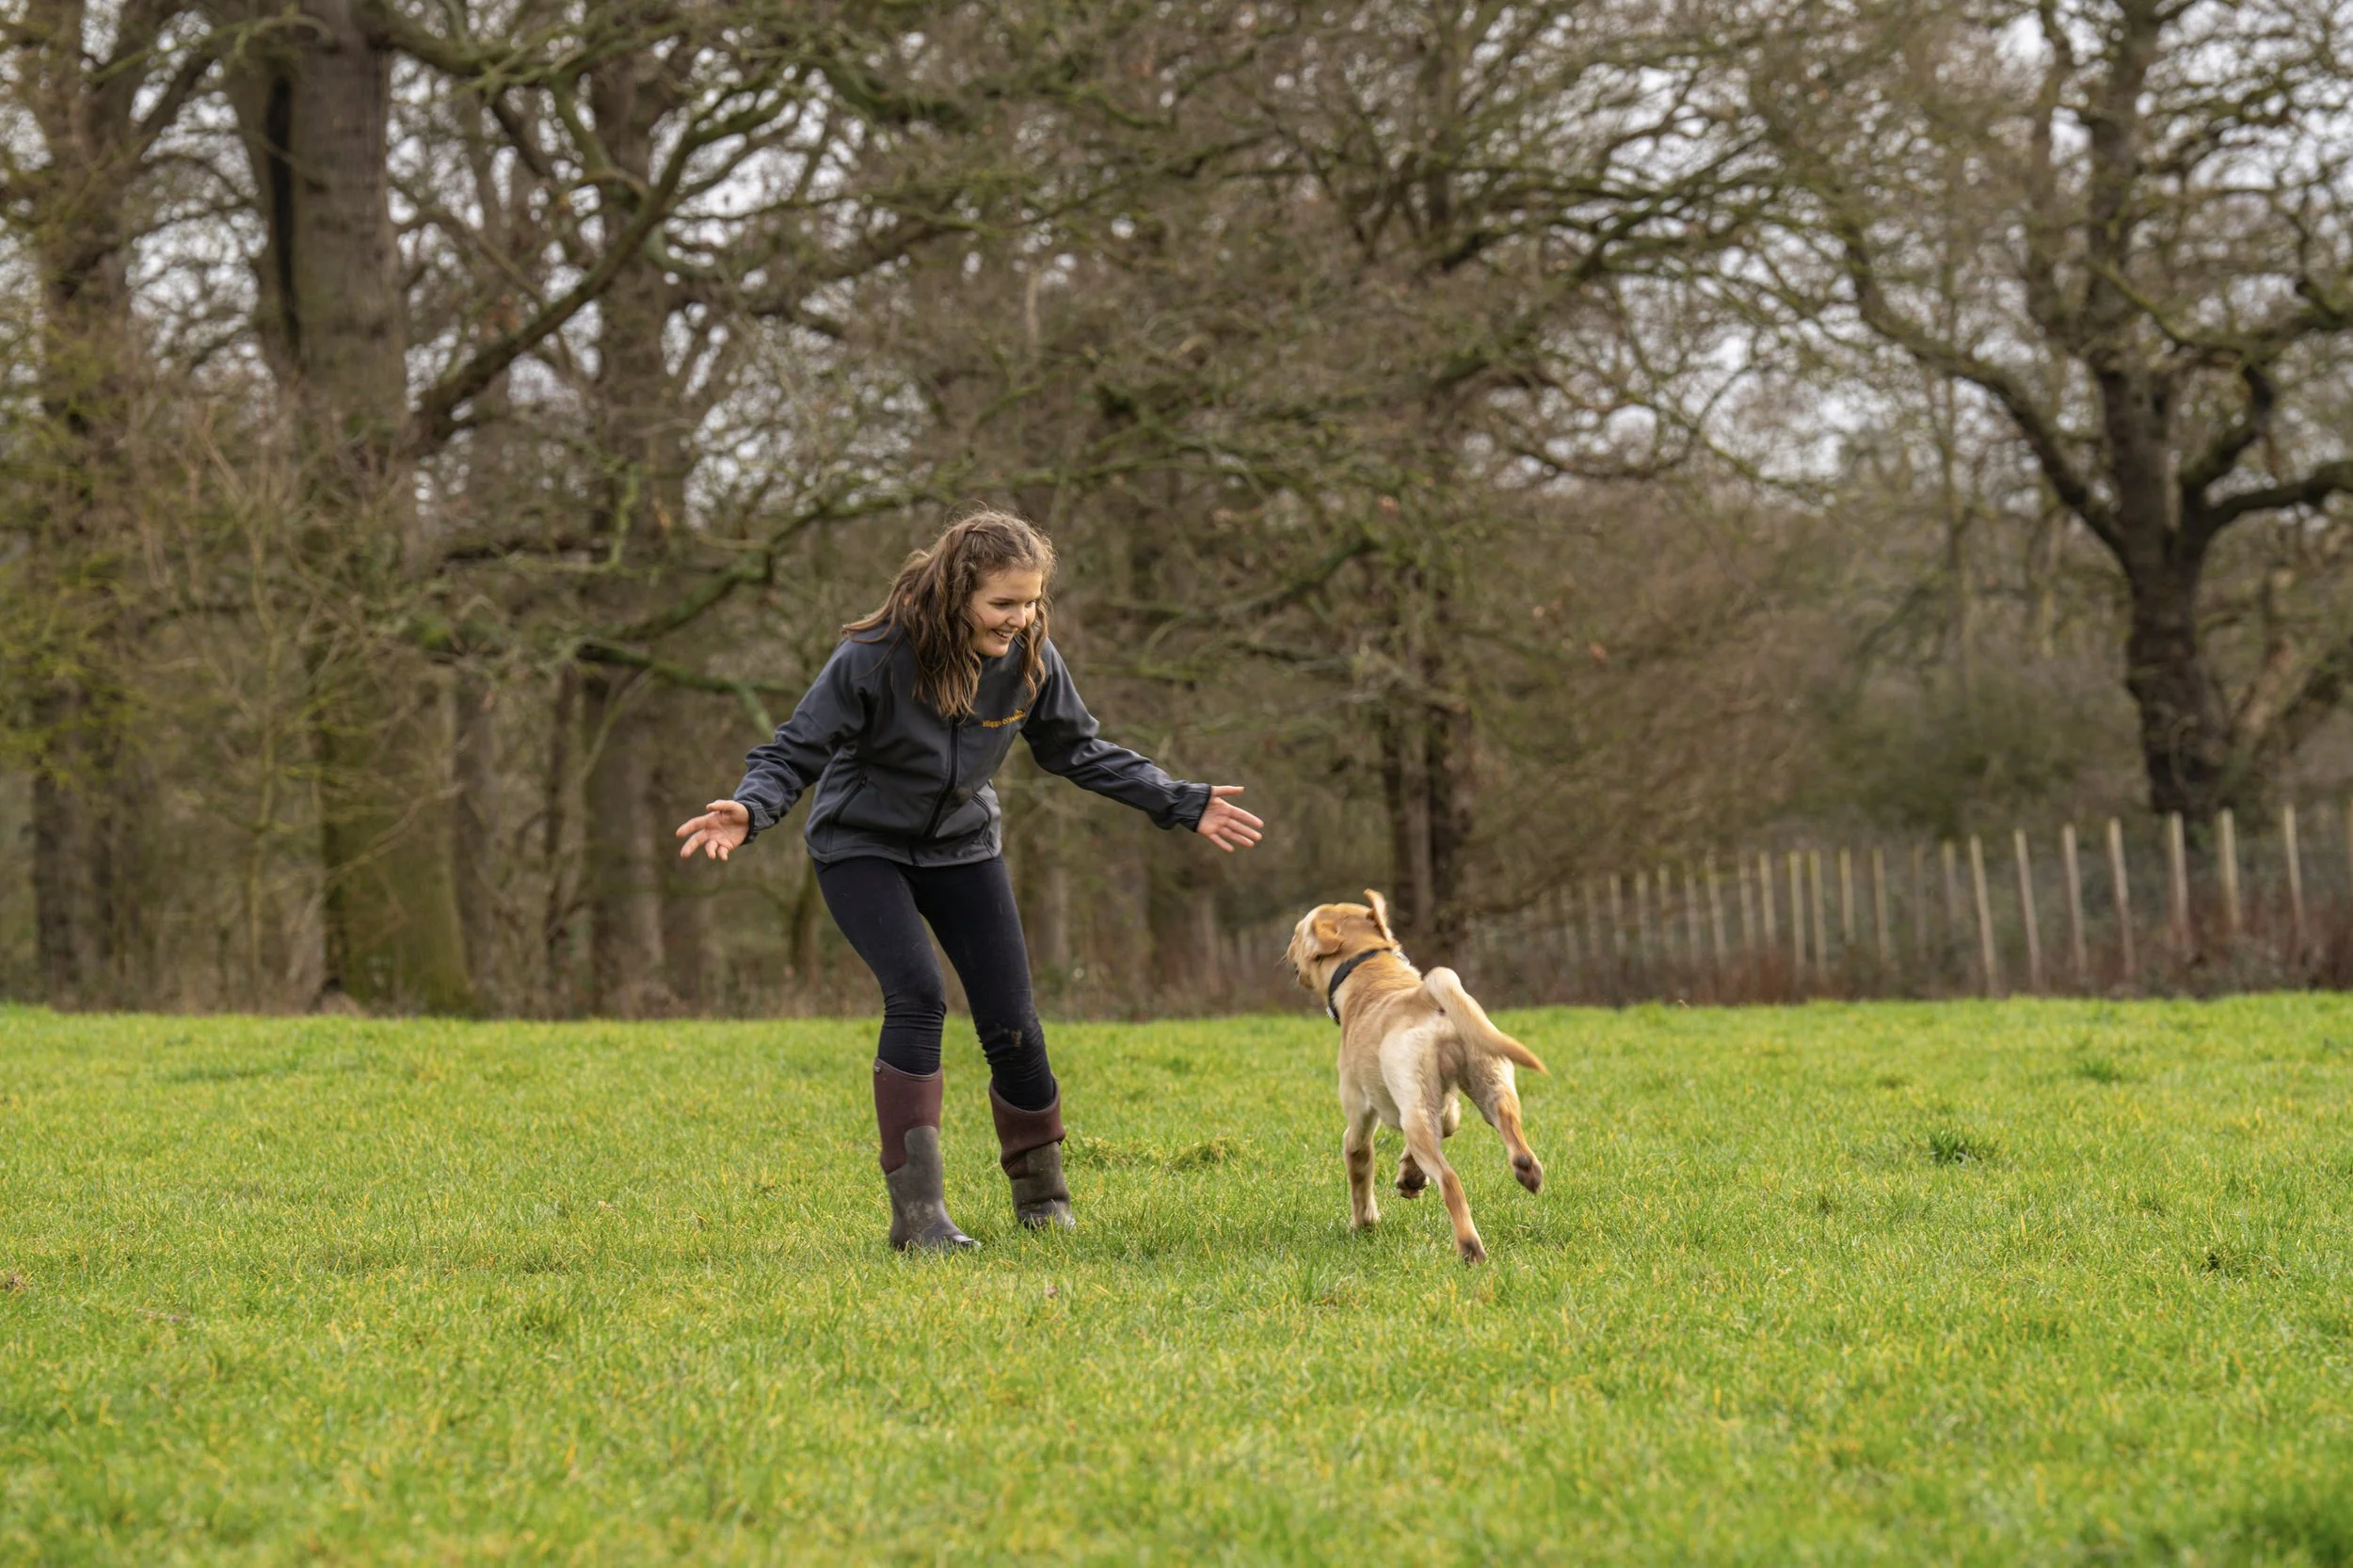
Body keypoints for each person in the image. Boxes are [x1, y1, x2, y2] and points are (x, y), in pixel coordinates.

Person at [675, 511, 1265, 1252]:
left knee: (1013, 1023)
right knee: (918, 995)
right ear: (958, 593)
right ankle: (920, 1221)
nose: (1020, 620)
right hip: (863, 846)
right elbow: (794, 751)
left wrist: (1181, 800)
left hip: (963, 845)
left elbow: (1077, 752)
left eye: (1032, 603)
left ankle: (1043, 1199)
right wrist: (751, 808)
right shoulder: (874, 657)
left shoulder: (1030, 661)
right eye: (1003, 604)